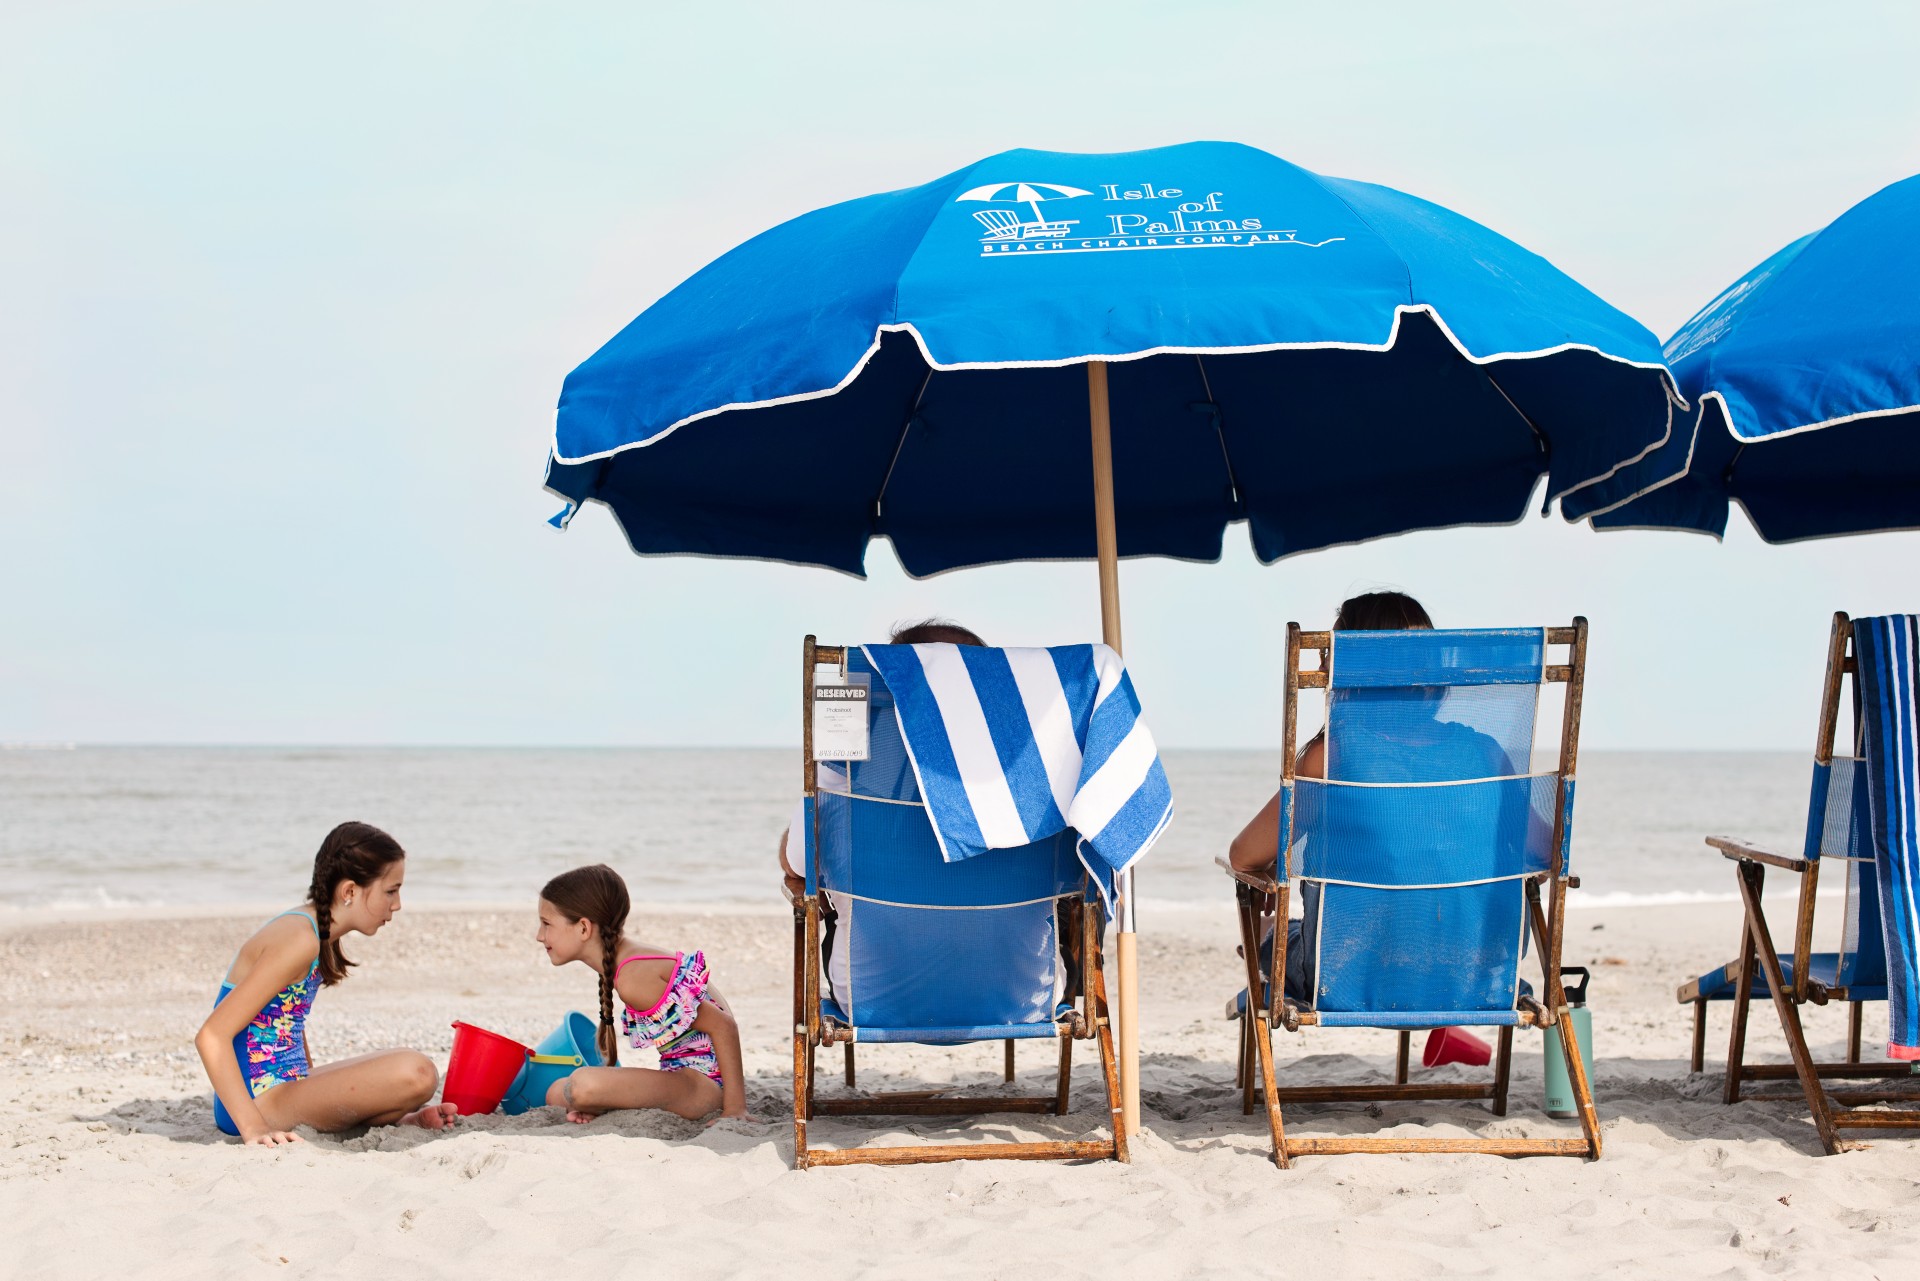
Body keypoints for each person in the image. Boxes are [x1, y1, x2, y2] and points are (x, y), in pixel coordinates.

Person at [1228, 591, 1434, 1002]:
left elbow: (1243, 856)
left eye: (1331, 650)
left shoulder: (1331, 760)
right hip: (1475, 971)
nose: (1322, 664)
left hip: (1345, 977)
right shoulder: (1485, 753)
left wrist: (1266, 874)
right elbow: (1543, 849)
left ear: (1360, 667)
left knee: (1275, 931)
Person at [195, 821, 454, 1145]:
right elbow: (211, 1036)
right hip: (255, 1102)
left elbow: (286, 1019)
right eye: (391, 890)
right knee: (417, 1073)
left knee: (412, 1065)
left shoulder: (315, 931)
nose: (397, 904)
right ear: (349, 891)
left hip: (284, 1083)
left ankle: (398, 1120)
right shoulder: (299, 939)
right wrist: (253, 1128)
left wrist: (315, 1092)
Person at [777, 617, 986, 893]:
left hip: (874, 937)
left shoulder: (848, 759)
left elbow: (801, 861)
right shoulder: (1030, 775)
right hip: (1017, 937)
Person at [535, 863, 748, 1123]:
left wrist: (735, 1109)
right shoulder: (628, 958)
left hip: (704, 1087)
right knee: (557, 1092)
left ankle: (597, 1103)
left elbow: (725, 1025)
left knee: (579, 1086)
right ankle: (597, 1104)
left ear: (583, 928)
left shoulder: (633, 978)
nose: (539, 935)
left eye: (546, 924)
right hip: (683, 1074)